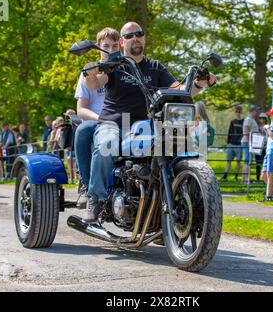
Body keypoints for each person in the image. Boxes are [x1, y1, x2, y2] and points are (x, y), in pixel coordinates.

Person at [82, 21, 216, 222]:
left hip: (147, 125)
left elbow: (179, 91)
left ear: (144, 37)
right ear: (122, 41)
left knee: (178, 148)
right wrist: (89, 73)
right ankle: (96, 198)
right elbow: (94, 83)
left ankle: (169, 202)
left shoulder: (155, 67)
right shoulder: (114, 66)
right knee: (105, 146)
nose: (135, 38)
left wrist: (198, 83)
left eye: (139, 33)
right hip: (114, 123)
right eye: (129, 35)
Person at [75, 27, 121, 208]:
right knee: (83, 129)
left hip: (122, 120)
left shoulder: (125, 69)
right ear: (98, 47)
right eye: (106, 46)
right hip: (97, 120)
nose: (110, 50)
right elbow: (81, 109)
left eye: (114, 46)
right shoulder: (90, 72)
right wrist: (101, 118)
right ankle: (87, 187)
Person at [220, 106, 244, 182]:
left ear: (241, 112)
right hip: (231, 144)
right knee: (228, 161)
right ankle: (225, 176)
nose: (238, 113)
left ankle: (236, 177)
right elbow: (229, 132)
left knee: (238, 162)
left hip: (239, 145)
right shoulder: (232, 121)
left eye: (239, 111)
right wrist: (228, 143)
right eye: (236, 111)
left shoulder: (244, 122)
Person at [241, 105, 260, 184]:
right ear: (252, 111)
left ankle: (246, 179)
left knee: (248, 161)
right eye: (256, 111)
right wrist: (249, 143)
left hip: (251, 142)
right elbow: (246, 131)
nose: (257, 112)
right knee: (247, 161)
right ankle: (245, 179)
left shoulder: (252, 119)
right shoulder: (248, 119)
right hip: (247, 142)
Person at [254, 113, 268, 182]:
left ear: (265, 119)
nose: (261, 119)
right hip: (258, 147)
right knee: (257, 163)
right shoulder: (257, 127)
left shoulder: (267, 127)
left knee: (263, 163)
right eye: (260, 118)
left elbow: (267, 137)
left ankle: (263, 178)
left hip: (264, 147)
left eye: (263, 118)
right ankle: (257, 178)